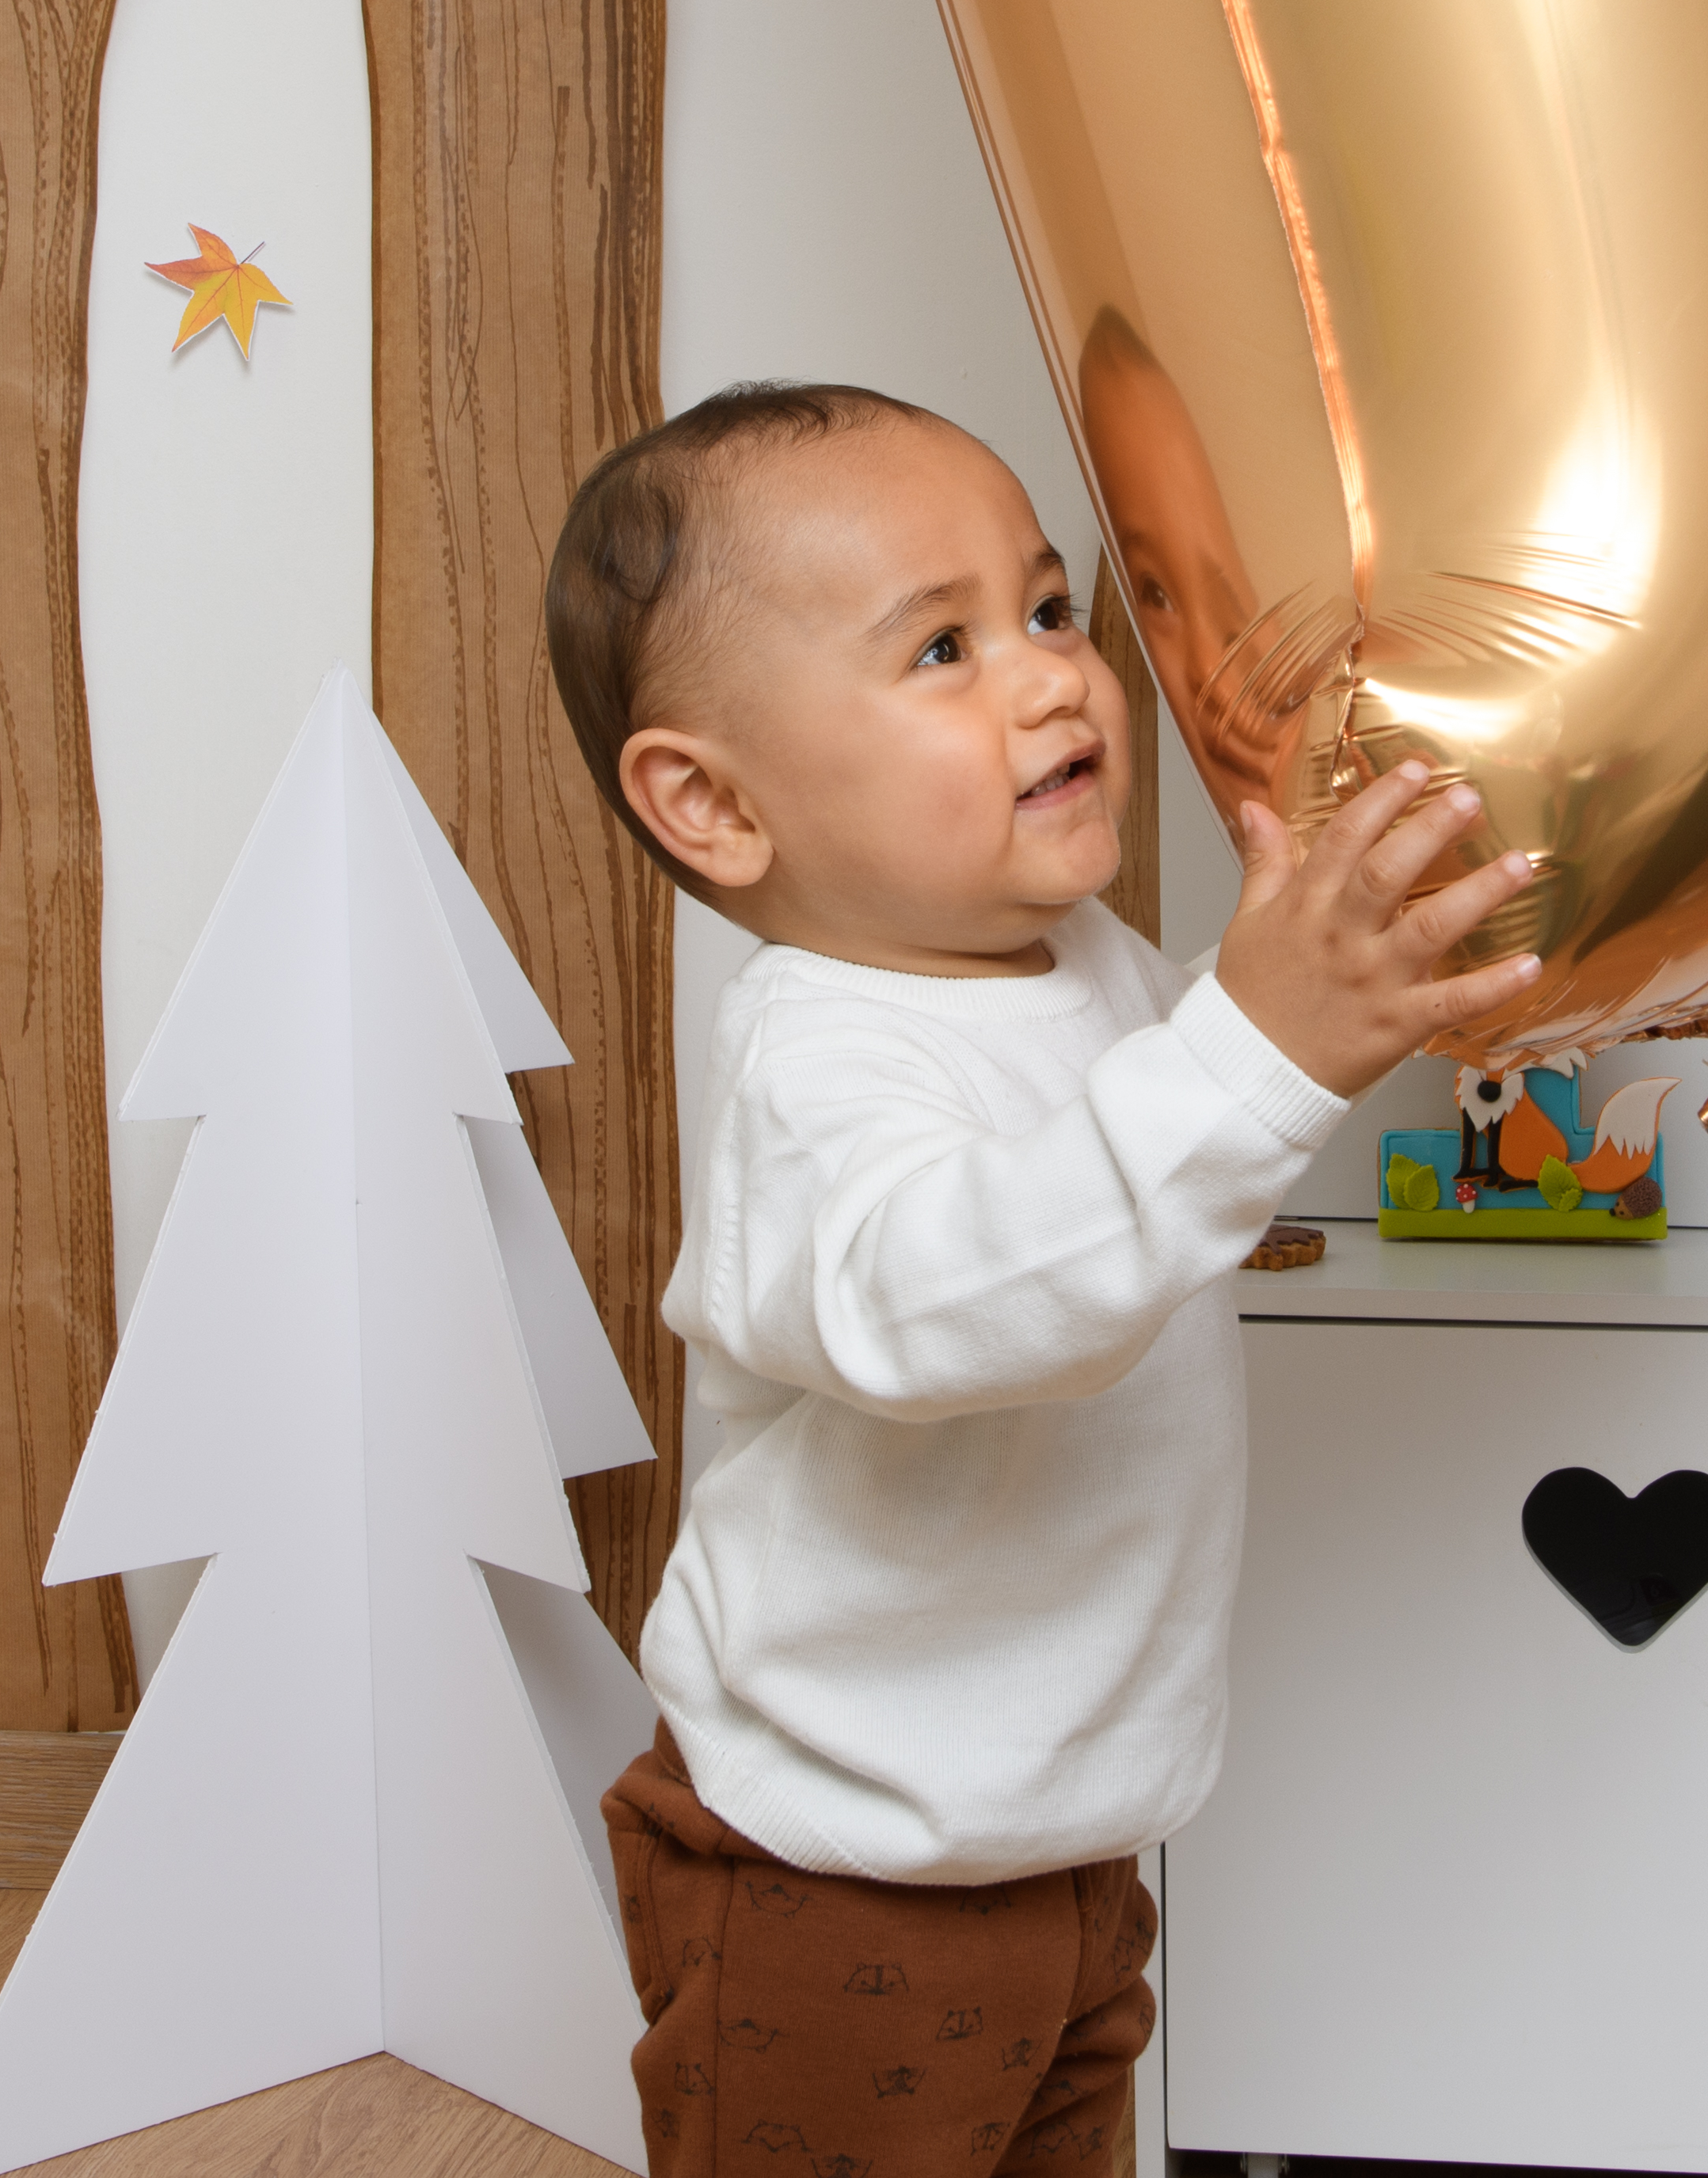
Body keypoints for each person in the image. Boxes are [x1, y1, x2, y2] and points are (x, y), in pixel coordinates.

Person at [542, 380, 1537, 2175]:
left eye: (1049, 608)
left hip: (1066, 1848)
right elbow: (969, 1295)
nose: (1053, 673)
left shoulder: (1086, 965)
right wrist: (1260, 1041)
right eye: (940, 646)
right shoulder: (817, 1063)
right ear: (713, 802)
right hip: (832, 1879)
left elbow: (1191, 1164)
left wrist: (1383, 1008)